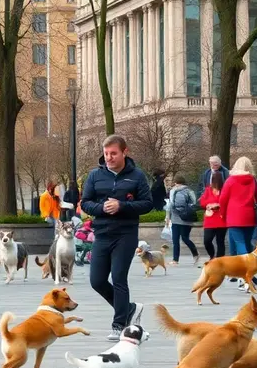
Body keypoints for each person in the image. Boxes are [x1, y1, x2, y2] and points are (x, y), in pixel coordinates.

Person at [79, 134, 151, 341]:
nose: (109, 158)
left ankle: (119, 324)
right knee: (97, 280)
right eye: (106, 153)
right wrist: (101, 208)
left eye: (113, 153)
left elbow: (147, 204)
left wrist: (122, 206)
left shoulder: (137, 176)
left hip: (125, 234)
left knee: (119, 278)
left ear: (124, 152)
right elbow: (85, 203)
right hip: (101, 233)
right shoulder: (95, 175)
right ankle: (129, 309)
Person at [218, 156, 257, 258]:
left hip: (233, 217)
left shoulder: (230, 180)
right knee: (248, 243)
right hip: (250, 216)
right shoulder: (254, 181)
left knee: (240, 243)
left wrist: (222, 214)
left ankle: (245, 269)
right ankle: (248, 269)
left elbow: (223, 199)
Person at [165, 174, 200, 266]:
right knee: (185, 238)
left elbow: (170, 205)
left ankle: (175, 260)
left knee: (175, 239)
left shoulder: (173, 191)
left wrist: (167, 217)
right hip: (187, 218)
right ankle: (195, 255)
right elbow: (194, 203)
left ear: (176, 182)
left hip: (175, 217)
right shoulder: (190, 191)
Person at [199, 171, 228, 261]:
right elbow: (202, 201)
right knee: (207, 240)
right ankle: (212, 256)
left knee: (220, 241)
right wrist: (208, 204)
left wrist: (218, 204)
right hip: (210, 217)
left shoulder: (225, 190)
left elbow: (227, 201)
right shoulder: (208, 189)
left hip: (221, 218)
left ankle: (219, 260)